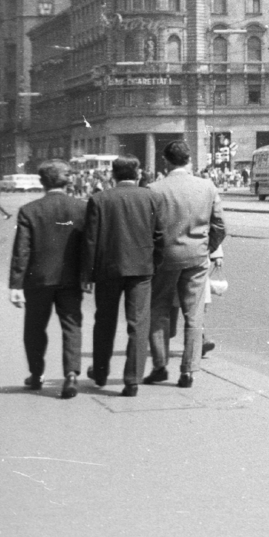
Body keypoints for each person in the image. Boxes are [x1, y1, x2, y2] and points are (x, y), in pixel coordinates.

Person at [146, 140, 225, 389]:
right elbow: (220, 226)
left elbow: (147, 229)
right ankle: (188, 370)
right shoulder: (207, 186)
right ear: (189, 160)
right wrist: (207, 248)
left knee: (158, 311)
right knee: (194, 315)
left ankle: (159, 366)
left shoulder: (153, 189)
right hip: (196, 258)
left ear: (166, 161)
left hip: (164, 259)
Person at [82, 155, 162, 396]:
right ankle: (132, 379)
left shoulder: (98, 199)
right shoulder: (151, 198)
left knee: (104, 322)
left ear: (113, 175)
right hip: (141, 270)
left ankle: (101, 372)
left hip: (108, 270)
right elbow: (161, 236)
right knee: (138, 324)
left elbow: (90, 241)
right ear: (137, 174)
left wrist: (87, 275)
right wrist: (153, 265)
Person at [9, 160, 87, 398]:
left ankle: (36, 375)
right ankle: (71, 375)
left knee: (34, 329)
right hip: (71, 279)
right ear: (67, 180)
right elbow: (89, 245)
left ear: (42, 182)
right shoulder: (81, 208)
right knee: (72, 326)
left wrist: (15, 285)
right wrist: (87, 275)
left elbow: (21, 250)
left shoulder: (30, 210)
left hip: (38, 280)